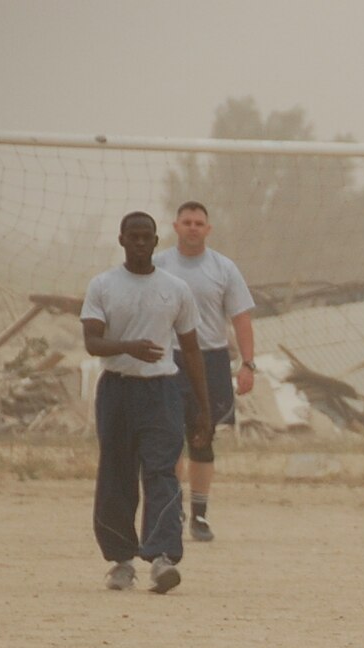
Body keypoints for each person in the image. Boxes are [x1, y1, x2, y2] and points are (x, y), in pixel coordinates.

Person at [80, 212, 212, 594]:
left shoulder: (175, 288)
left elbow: (190, 350)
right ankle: (121, 562)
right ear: (121, 240)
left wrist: (203, 408)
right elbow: (92, 342)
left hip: (162, 392)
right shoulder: (103, 285)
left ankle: (161, 558)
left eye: (147, 238)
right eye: (133, 237)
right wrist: (128, 348)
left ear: (157, 242)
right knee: (116, 473)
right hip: (118, 390)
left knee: (161, 472)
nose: (140, 243)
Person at [154, 201, 255, 543]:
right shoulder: (158, 265)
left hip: (210, 359)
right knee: (169, 439)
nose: (193, 227)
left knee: (202, 437)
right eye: (187, 222)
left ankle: (199, 515)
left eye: (199, 222)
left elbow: (241, 317)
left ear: (208, 229)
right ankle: (171, 510)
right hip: (169, 358)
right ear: (176, 226)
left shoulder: (224, 268)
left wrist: (248, 363)